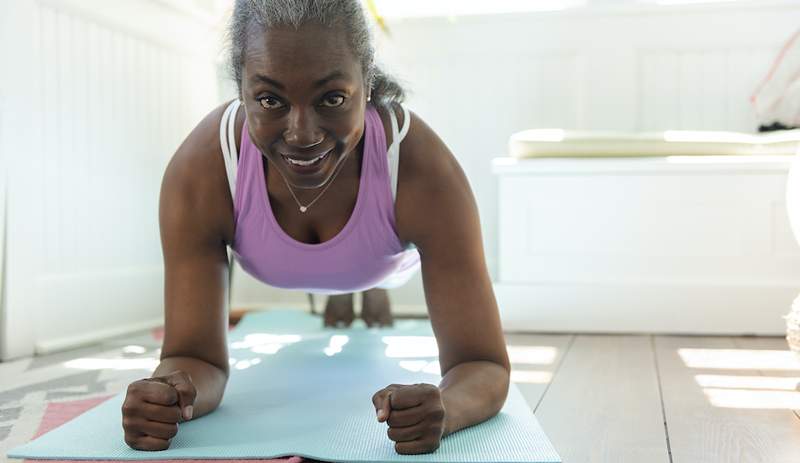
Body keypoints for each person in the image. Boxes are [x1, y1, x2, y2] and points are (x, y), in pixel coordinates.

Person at [121, 0, 509, 455]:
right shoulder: (203, 171)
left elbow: (483, 363)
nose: (302, 135)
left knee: (366, 278)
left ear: (367, 84)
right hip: (293, 251)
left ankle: (361, 285)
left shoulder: (422, 169)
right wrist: (170, 394)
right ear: (240, 89)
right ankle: (345, 283)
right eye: (269, 100)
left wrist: (448, 407)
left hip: (381, 260)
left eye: (332, 99)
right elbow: (196, 357)